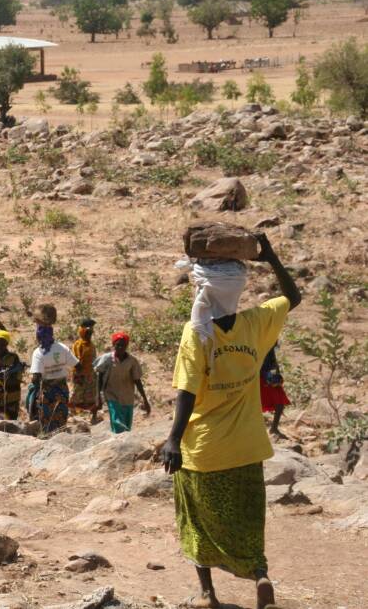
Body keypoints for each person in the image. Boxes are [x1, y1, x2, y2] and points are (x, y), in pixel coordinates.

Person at [161, 234, 301, 609]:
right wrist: (270, 256)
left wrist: (173, 440)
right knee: (248, 521)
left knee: (196, 520)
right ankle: (261, 577)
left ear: (203, 287)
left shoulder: (197, 333)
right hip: (246, 447)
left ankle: (207, 594)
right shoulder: (255, 323)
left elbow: (187, 392)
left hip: (204, 449)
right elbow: (294, 297)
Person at [27, 319, 78, 433]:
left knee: (46, 422)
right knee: (60, 419)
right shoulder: (62, 347)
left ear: (38, 336)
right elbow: (77, 365)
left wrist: (32, 391)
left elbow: (36, 377)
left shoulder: (38, 353)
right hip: (62, 389)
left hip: (47, 392)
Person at [95, 332, 150, 433]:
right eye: (118, 345)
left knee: (127, 425)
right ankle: (117, 442)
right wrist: (98, 395)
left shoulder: (132, 361)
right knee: (117, 421)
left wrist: (145, 399)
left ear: (127, 346)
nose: (120, 347)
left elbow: (137, 380)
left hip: (127, 396)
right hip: (111, 394)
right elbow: (100, 377)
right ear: (113, 345)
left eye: (123, 345)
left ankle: (121, 443)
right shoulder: (107, 359)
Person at [70, 318, 99, 422]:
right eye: (87, 333)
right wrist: (79, 374)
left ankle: (93, 416)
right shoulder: (78, 345)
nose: (89, 335)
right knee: (77, 394)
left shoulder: (91, 345)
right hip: (80, 374)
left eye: (90, 333)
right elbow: (76, 360)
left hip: (90, 374)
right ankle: (71, 415)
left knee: (91, 396)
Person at [259, 343, 290, 437]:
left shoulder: (271, 335)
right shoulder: (255, 333)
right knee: (254, 403)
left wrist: (277, 372)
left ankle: (274, 428)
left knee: (279, 402)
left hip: (269, 373)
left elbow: (272, 357)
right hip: (256, 373)